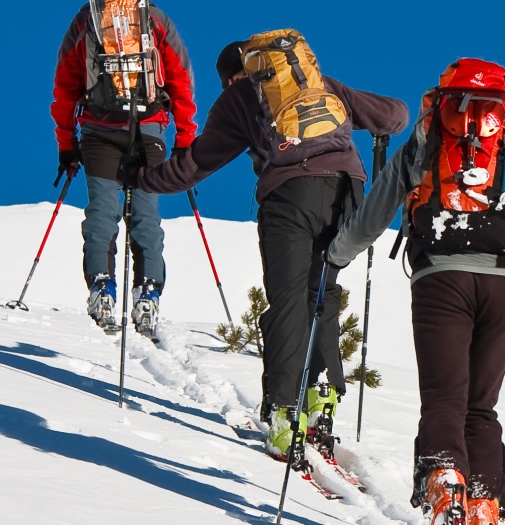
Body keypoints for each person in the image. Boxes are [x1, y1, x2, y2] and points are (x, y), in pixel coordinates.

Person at [121, 36, 407, 459]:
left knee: (288, 300)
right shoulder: (316, 84)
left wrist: (142, 178)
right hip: (348, 193)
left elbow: (192, 167)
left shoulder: (239, 98)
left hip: (289, 197)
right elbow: (395, 115)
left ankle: (284, 412)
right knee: (322, 292)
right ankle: (321, 394)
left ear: (234, 75)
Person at [325, 58, 505, 525]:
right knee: (480, 406)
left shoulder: (422, 150)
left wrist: (335, 259)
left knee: (444, 399)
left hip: (440, 279)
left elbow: (371, 219)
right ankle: (484, 505)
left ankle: (446, 484)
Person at [51, 0, 197, 332]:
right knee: (146, 215)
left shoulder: (86, 19)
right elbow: (180, 78)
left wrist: (66, 144)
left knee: (102, 212)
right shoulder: (155, 19)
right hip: (148, 131)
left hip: (98, 133)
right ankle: (148, 293)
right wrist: (186, 137)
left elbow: (65, 86)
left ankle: (102, 287)